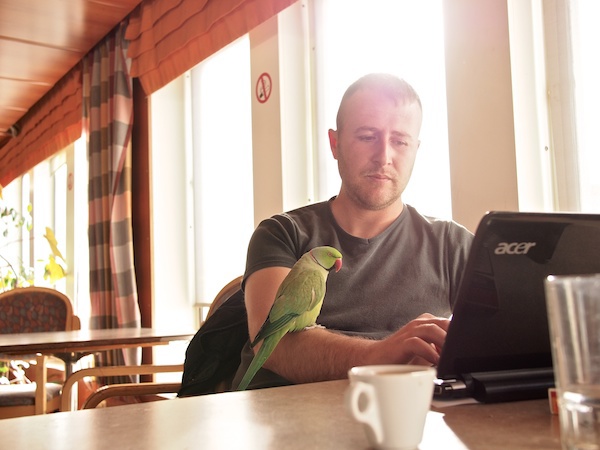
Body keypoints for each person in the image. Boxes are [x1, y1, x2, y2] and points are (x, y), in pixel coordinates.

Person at [231, 73, 473, 390]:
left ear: (415, 148)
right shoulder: (281, 233)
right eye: (367, 136)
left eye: (400, 141)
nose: (384, 157)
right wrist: (385, 355)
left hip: (408, 425)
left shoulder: (453, 245)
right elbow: (272, 346)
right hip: (286, 426)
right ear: (335, 144)